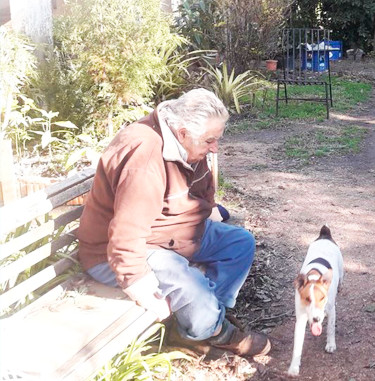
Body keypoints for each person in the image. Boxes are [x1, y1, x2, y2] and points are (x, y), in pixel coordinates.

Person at [77, 88, 270, 357]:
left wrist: (212, 208)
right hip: (123, 252)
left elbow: (203, 190)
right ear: (182, 133)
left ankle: (208, 317)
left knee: (240, 243)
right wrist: (138, 284)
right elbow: (126, 235)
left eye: (218, 139)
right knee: (190, 284)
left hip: (170, 234)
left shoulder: (190, 145)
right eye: (210, 140)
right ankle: (211, 331)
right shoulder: (144, 157)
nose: (215, 147)